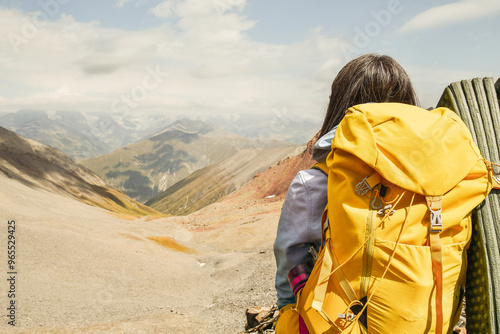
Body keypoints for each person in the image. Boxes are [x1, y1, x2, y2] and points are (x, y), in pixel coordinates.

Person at [273, 53, 419, 310]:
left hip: (341, 321)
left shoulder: (314, 183)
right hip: (426, 318)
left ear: (339, 103)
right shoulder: (437, 174)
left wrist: (287, 312)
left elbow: (290, 263)